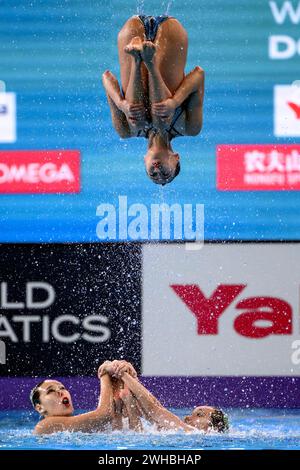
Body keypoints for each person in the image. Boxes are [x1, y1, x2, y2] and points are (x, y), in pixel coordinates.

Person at [102, 15, 205, 185]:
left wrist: (122, 104)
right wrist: (174, 102)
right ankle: (150, 63)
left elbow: (106, 78)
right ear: (176, 158)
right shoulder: (190, 127)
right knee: (162, 121)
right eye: (166, 175)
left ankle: (137, 60)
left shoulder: (126, 130)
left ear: (144, 161)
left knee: (136, 121)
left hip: (131, 34)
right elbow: (199, 74)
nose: (158, 172)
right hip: (170, 34)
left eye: (153, 176)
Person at [30, 360, 137, 435]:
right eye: (51, 391)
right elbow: (105, 413)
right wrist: (104, 372)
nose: (60, 392)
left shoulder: (81, 426)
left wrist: (120, 371)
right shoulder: (44, 426)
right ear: (40, 408)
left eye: (62, 388)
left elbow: (119, 430)